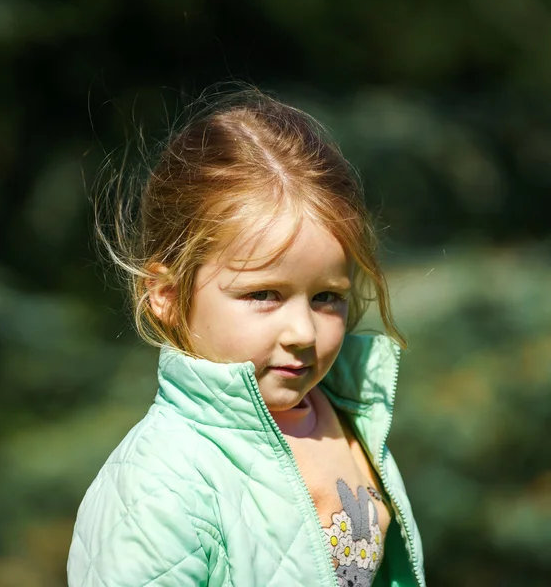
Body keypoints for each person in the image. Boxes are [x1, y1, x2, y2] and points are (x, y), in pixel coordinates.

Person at [67, 87, 426, 587]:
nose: (303, 332)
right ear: (167, 294)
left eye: (327, 297)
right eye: (263, 294)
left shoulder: (352, 420)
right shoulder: (158, 482)